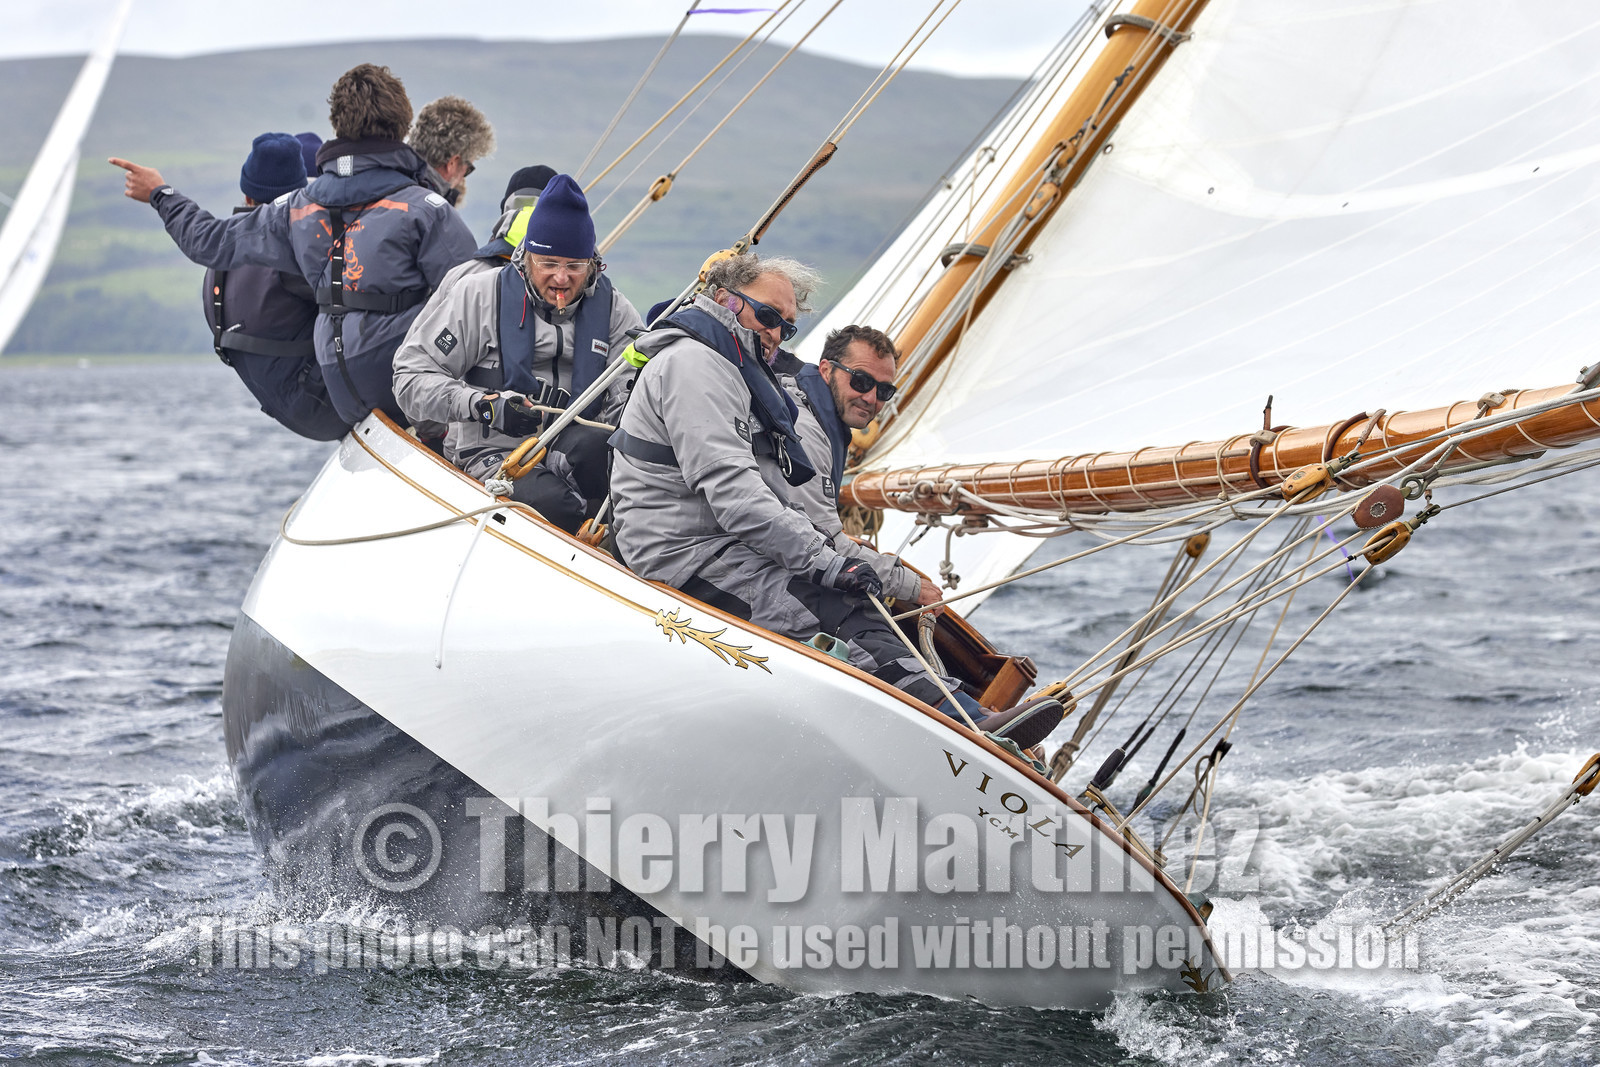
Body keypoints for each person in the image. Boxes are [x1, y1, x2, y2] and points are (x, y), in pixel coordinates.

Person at [607, 253, 1062, 745]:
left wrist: (837, 564)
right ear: (724, 300)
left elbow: (774, 503)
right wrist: (834, 566)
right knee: (825, 604)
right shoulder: (698, 365)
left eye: (786, 326)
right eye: (767, 316)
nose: (776, 333)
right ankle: (959, 728)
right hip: (681, 551)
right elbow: (738, 496)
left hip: (714, 541)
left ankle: (961, 716)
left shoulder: (735, 370)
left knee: (840, 597)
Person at [110, 64, 478, 428]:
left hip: (338, 389)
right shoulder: (426, 210)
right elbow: (476, 301)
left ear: (338, 123)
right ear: (402, 126)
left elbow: (207, 242)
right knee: (478, 297)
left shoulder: (294, 209)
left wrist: (161, 193)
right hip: (396, 379)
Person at [391, 173, 645, 534]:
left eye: (574, 266)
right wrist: (483, 405)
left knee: (605, 465)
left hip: (571, 446)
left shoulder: (615, 312)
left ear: (593, 265)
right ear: (526, 259)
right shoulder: (478, 296)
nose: (561, 279)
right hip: (490, 455)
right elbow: (410, 379)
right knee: (554, 506)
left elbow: (632, 400)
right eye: (549, 264)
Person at [179, 131, 346, 440]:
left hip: (291, 410)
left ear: (247, 197)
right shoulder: (295, 253)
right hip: (330, 408)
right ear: (301, 198)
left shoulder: (217, 264)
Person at [778, 324, 940, 609]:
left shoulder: (821, 418)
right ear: (826, 370)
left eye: (884, 390)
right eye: (861, 381)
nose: (871, 398)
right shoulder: (804, 429)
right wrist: (908, 585)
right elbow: (819, 541)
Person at [407, 96, 495, 207]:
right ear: (452, 163)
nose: (462, 180)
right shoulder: (434, 211)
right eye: (468, 170)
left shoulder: (389, 176)